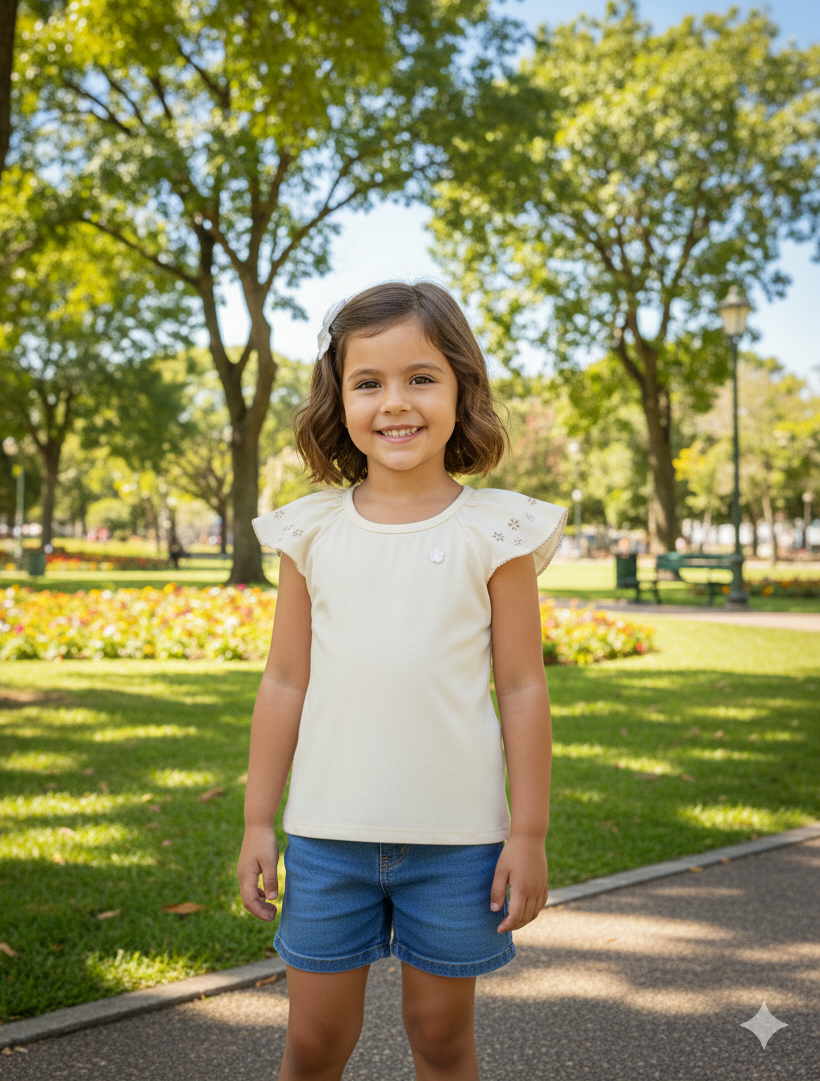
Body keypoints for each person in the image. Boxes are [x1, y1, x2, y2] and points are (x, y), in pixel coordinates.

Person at [238, 281, 567, 1080]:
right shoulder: (308, 530)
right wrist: (257, 823)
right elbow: (284, 682)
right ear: (338, 397)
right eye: (369, 382)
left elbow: (522, 688)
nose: (397, 403)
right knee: (316, 1044)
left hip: (458, 847)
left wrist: (528, 835)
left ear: (461, 386)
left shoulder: (498, 532)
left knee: (441, 1041)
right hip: (327, 840)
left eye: (421, 378)